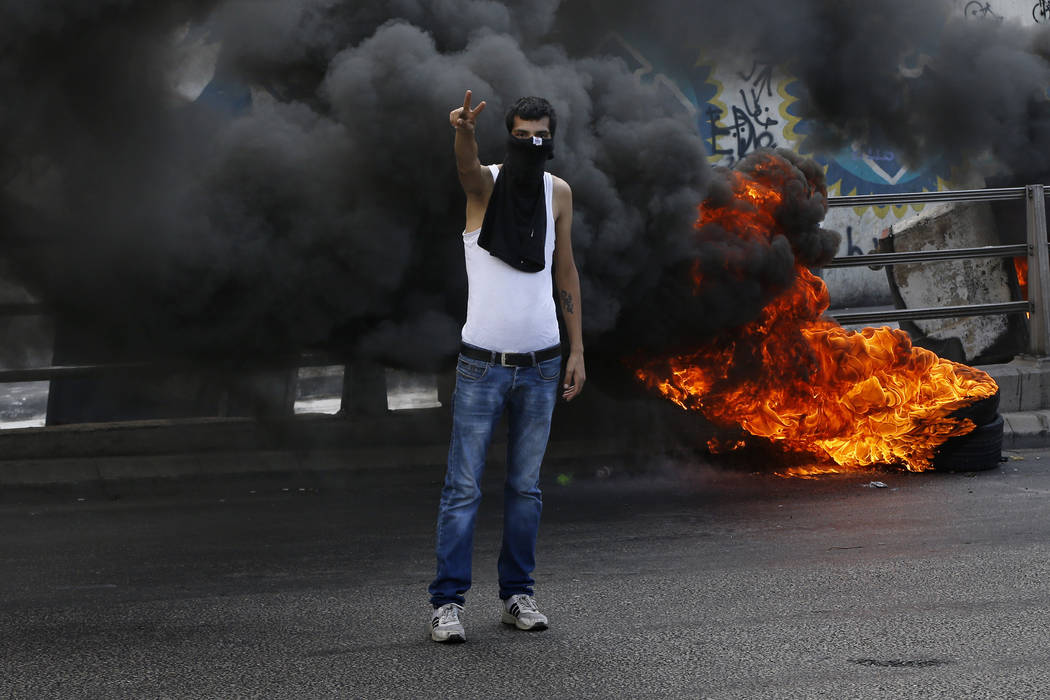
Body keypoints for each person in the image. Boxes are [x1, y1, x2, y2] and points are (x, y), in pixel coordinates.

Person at [428, 90, 585, 643]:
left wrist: (577, 351)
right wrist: (463, 130)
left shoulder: (558, 192)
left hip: (542, 365)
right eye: (520, 136)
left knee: (525, 488)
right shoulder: (487, 186)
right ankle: (447, 604)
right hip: (481, 367)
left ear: (551, 138)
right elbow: (466, 167)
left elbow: (564, 272)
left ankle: (517, 595)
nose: (530, 145)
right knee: (463, 488)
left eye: (539, 136)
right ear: (509, 136)